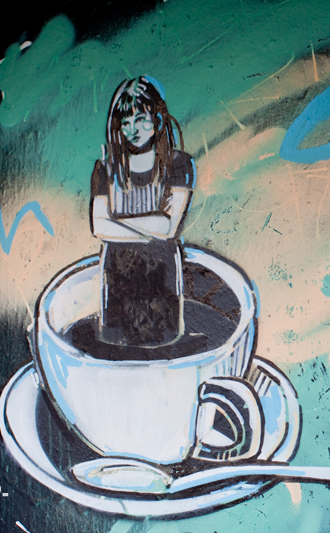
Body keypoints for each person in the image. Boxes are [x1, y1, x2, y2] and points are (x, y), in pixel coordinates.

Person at [90, 76, 195, 347]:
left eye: (140, 119)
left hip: (161, 278)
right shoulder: (106, 170)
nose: (133, 129)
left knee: (164, 348)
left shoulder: (179, 164)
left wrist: (117, 223)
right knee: (116, 350)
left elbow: (169, 228)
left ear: (157, 118)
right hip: (118, 277)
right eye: (125, 123)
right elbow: (99, 226)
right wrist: (153, 225)